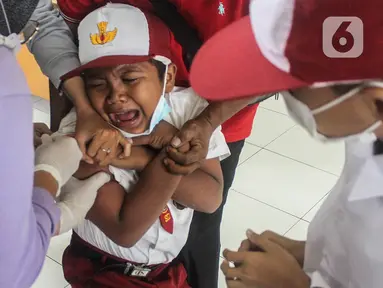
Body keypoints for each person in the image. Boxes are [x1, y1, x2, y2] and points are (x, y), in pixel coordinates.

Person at [28, 1, 259, 287]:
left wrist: (144, 156)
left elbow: (210, 199)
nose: (116, 95)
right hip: (104, 273)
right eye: (98, 84)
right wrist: (170, 151)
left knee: (203, 243)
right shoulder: (84, 135)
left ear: (169, 77)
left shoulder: (191, 111)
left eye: (130, 78)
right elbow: (125, 230)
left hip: (170, 274)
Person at [189, 0, 383, 287]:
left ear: (376, 102)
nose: (286, 97)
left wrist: (293, 284)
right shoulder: (367, 137)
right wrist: (309, 252)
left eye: (293, 87)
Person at [0, 1, 111, 287]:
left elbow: (39, 21)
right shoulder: (6, 85)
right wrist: (47, 185)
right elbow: (12, 269)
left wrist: (84, 106)